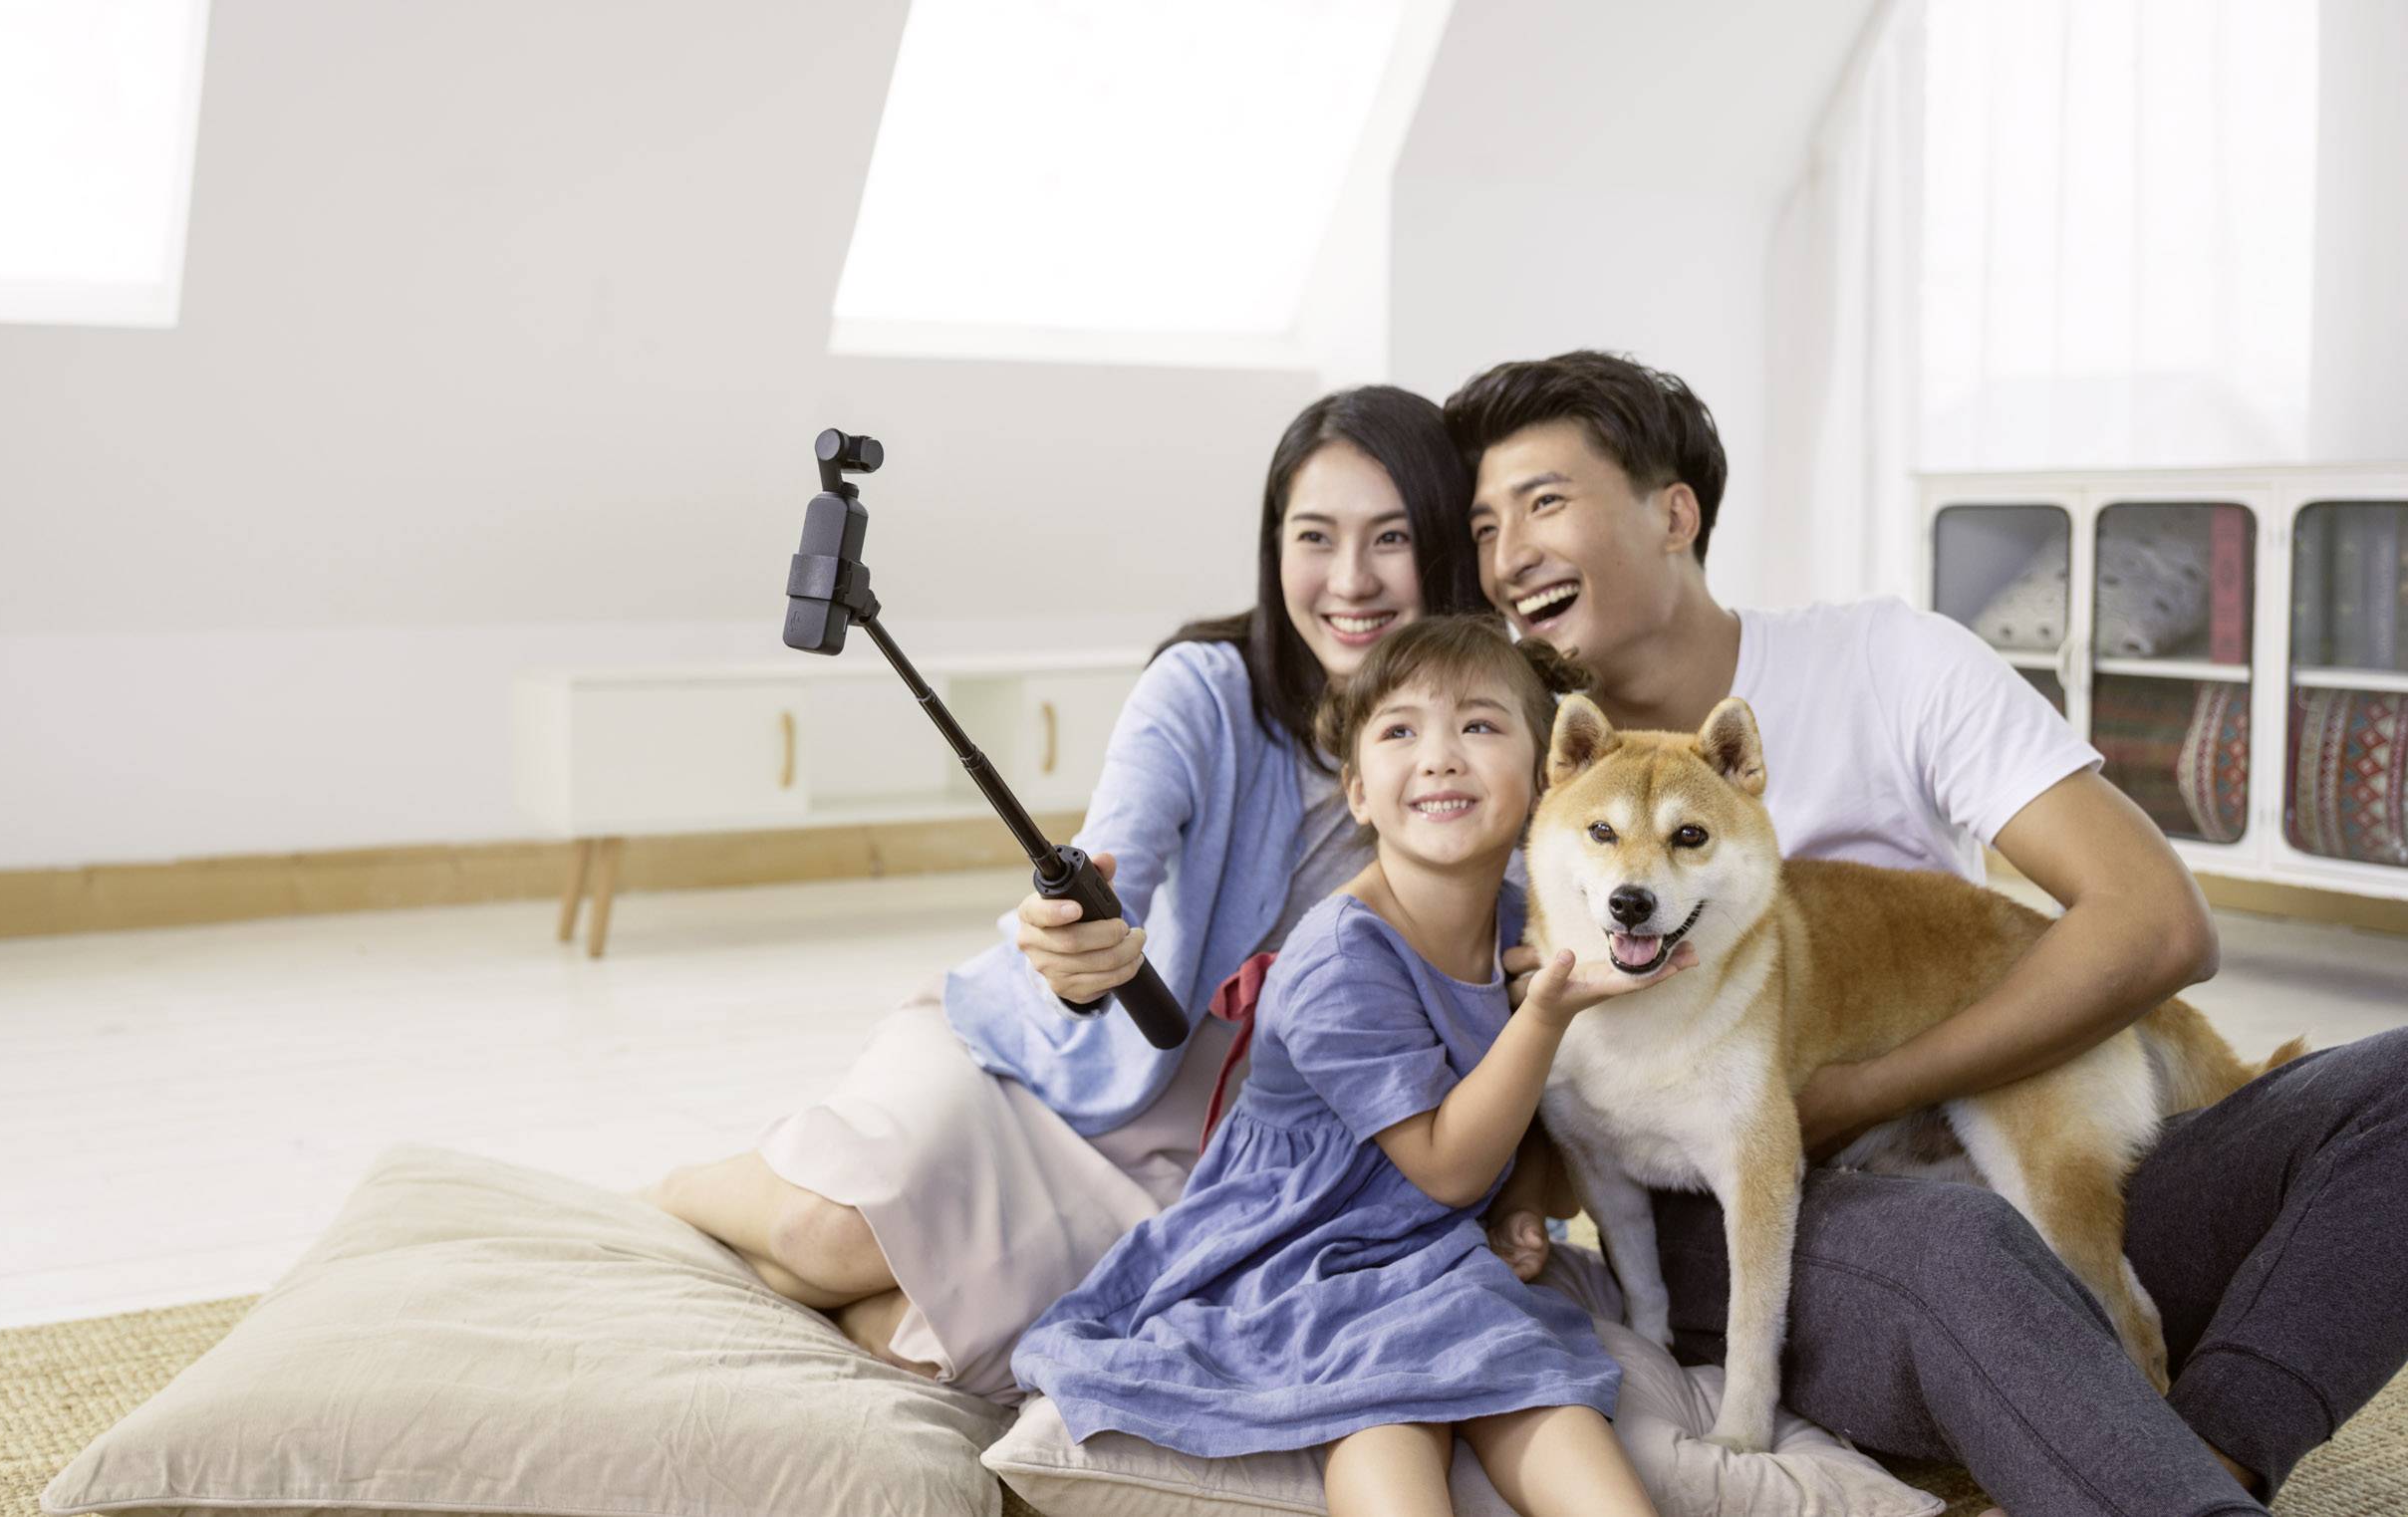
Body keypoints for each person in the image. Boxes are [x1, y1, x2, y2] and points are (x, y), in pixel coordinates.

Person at [1447, 349, 2408, 1517]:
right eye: (1486, 524)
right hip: (1766, 1234)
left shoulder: (1889, 660)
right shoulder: (1514, 769)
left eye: (1543, 500)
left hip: (2024, 1159)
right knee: (1961, 1242)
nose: (1507, 556)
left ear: (1672, 512)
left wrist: (1865, 1086)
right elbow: (1537, 1127)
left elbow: (2156, 924)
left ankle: (2211, 1453)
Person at [645, 384, 1487, 1402]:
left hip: (1205, 1149)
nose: (1350, 578)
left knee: (941, 1349)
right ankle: (672, 1193)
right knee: (826, 1232)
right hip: (1039, 1054)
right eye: (1315, 535)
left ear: (1441, 542)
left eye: (1390, 537)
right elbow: (1114, 851)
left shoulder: (1483, 741)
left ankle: (834, 1277)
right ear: (1275, 547)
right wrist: (1075, 939)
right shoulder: (1204, 688)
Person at [1014, 616, 1674, 1517]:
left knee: (1532, 1384)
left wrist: (1524, 1199)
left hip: (1436, 1248)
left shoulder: (1537, 914)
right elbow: (1446, 1167)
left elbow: (1540, 1137)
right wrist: (1548, 1015)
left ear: (1543, 781)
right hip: (1302, 1250)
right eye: (1401, 731)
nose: (1440, 756)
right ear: (1360, 792)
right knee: (1387, 1405)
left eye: (1480, 725)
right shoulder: (1337, 957)